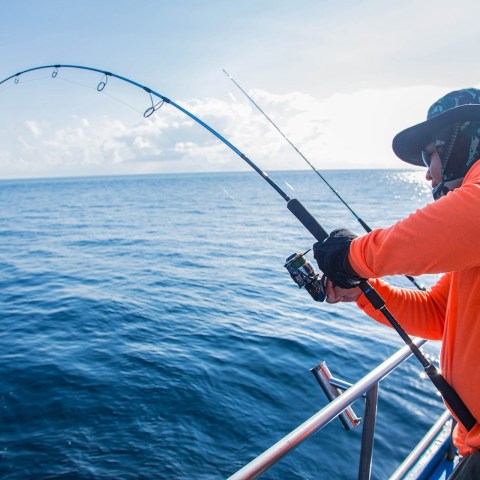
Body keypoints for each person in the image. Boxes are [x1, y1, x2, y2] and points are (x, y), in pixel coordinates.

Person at [313, 88, 480, 479]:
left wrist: (351, 257)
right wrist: (364, 292)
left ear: (460, 141)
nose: (428, 173)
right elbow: (439, 314)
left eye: (430, 156)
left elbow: (449, 226)